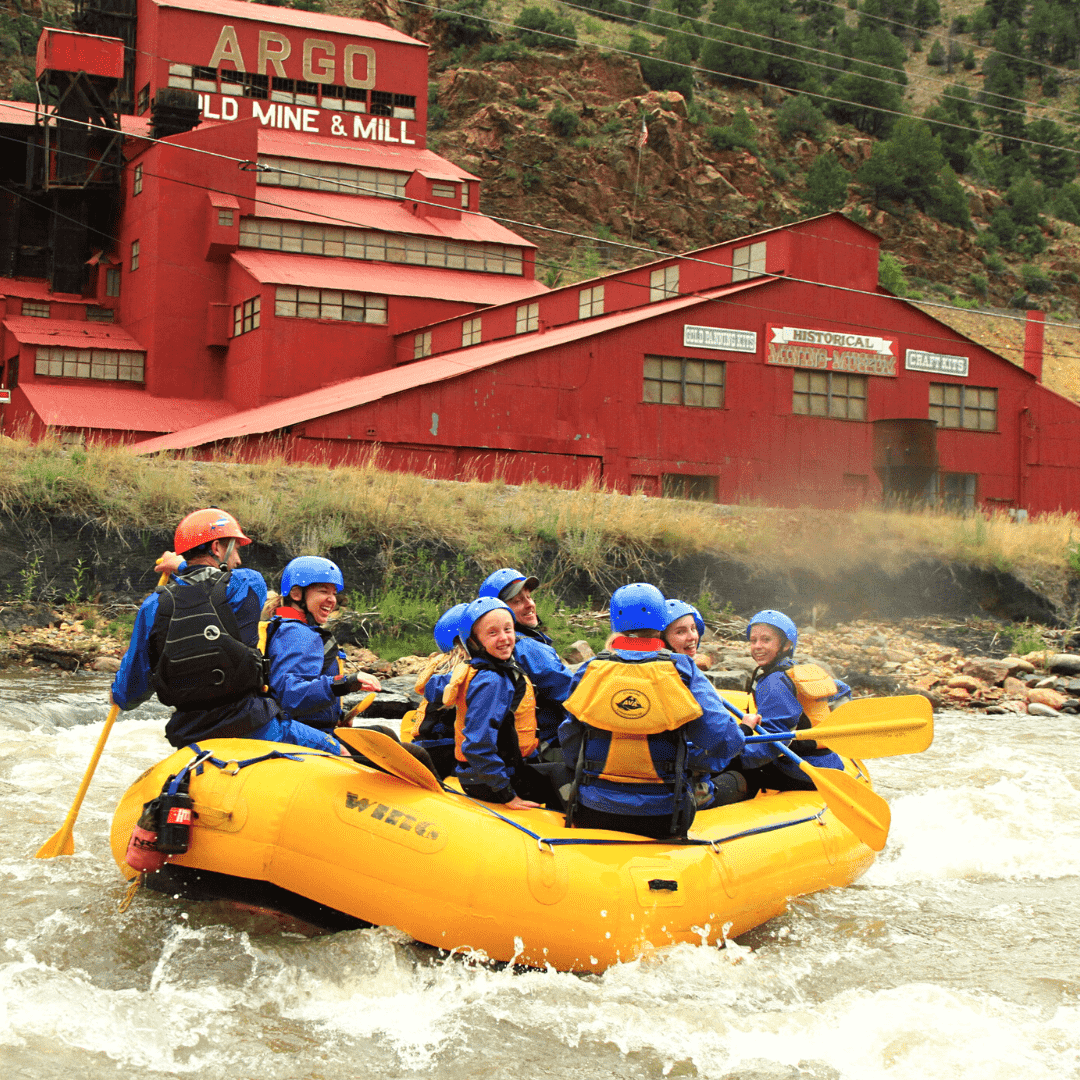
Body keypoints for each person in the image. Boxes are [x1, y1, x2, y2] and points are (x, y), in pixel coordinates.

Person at [110, 509, 343, 754]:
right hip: (252, 726)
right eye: (236, 549)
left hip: (189, 734)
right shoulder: (250, 584)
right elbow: (212, 585)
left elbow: (129, 691)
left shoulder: (151, 606)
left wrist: (118, 694)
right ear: (218, 548)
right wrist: (179, 564)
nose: (238, 560)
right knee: (342, 752)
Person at [559, 583, 749, 839]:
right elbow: (723, 740)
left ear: (616, 623)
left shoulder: (590, 669)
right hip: (663, 817)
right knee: (736, 780)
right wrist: (699, 763)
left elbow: (570, 736)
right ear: (662, 623)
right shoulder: (682, 670)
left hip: (594, 808)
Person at [442, 596, 565, 809]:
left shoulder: (484, 669)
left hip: (492, 773)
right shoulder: (491, 681)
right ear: (473, 641)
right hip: (490, 782)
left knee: (552, 768)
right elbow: (476, 745)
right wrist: (507, 795)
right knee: (565, 775)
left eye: (508, 630)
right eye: (492, 633)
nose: (504, 638)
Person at [734, 609, 849, 796]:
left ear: (786, 644)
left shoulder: (774, 682)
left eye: (766, 640)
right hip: (830, 763)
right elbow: (842, 689)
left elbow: (773, 739)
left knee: (732, 769)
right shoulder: (797, 672)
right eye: (753, 640)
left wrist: (734, 758)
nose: (757, 646)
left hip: (803, 769)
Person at [265, 556, 381, 735]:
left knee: (380, 731)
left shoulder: (291, 629)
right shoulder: (297, 633)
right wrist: (344, 683)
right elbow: (288, 695)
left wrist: (337, 715)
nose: (332, 600)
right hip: (299, 733)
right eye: (323, 591)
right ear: (296, 594)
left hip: (310, 727)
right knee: (410, 752)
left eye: (334, 593)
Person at [478, 567, 574, 758]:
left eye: (529, 597)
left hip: (507, 748)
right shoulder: (528, 648)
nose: (529, 604)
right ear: (500, 611)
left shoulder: (485, 646)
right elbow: (576, 694)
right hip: (545, 748)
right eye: (517, 601)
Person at [401, 602, 470, 779]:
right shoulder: (461, 667)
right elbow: (436, 689)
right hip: (444, 748)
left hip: (433, 743)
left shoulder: (445, 664)